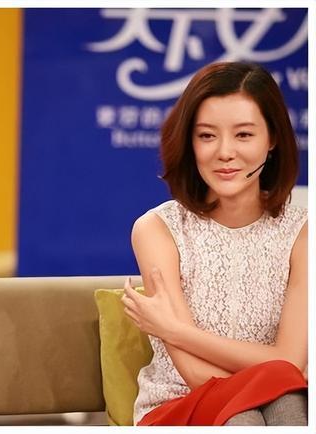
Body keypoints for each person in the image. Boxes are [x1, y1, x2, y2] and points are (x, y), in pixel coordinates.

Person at [121, 62, 307, 426]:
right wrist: (271, 377)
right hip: (180, 404)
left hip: (278, 398)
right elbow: (193, 373)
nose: (224, 152)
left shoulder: (302, 232)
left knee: (289, 406)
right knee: (249, 416)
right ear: (189, 142)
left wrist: (174, 331)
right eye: (207, 136)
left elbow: (289, 361)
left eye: (243, 135)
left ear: (271, 140)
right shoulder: (157, 229)